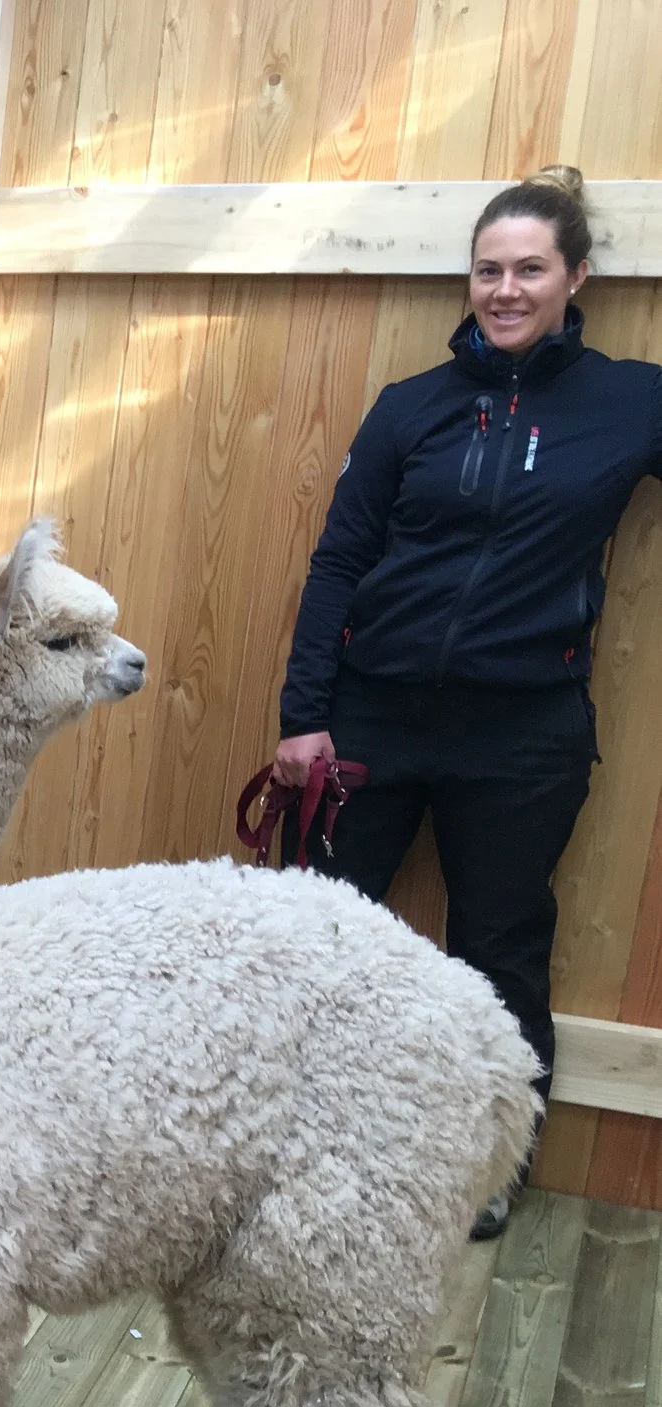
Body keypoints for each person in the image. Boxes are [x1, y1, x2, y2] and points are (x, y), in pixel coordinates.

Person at [271, 165, 662, 1238]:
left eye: (528, 268)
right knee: (317, 938)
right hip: (369, 719)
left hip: (523, 734)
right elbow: (338, 561)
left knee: (500, 946)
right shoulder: (412, 408)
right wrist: (303, 716)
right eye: (487, 269)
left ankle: (494, 1163)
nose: (503, 289)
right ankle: (284, 1140)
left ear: (575, 276)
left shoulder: (632, 400)